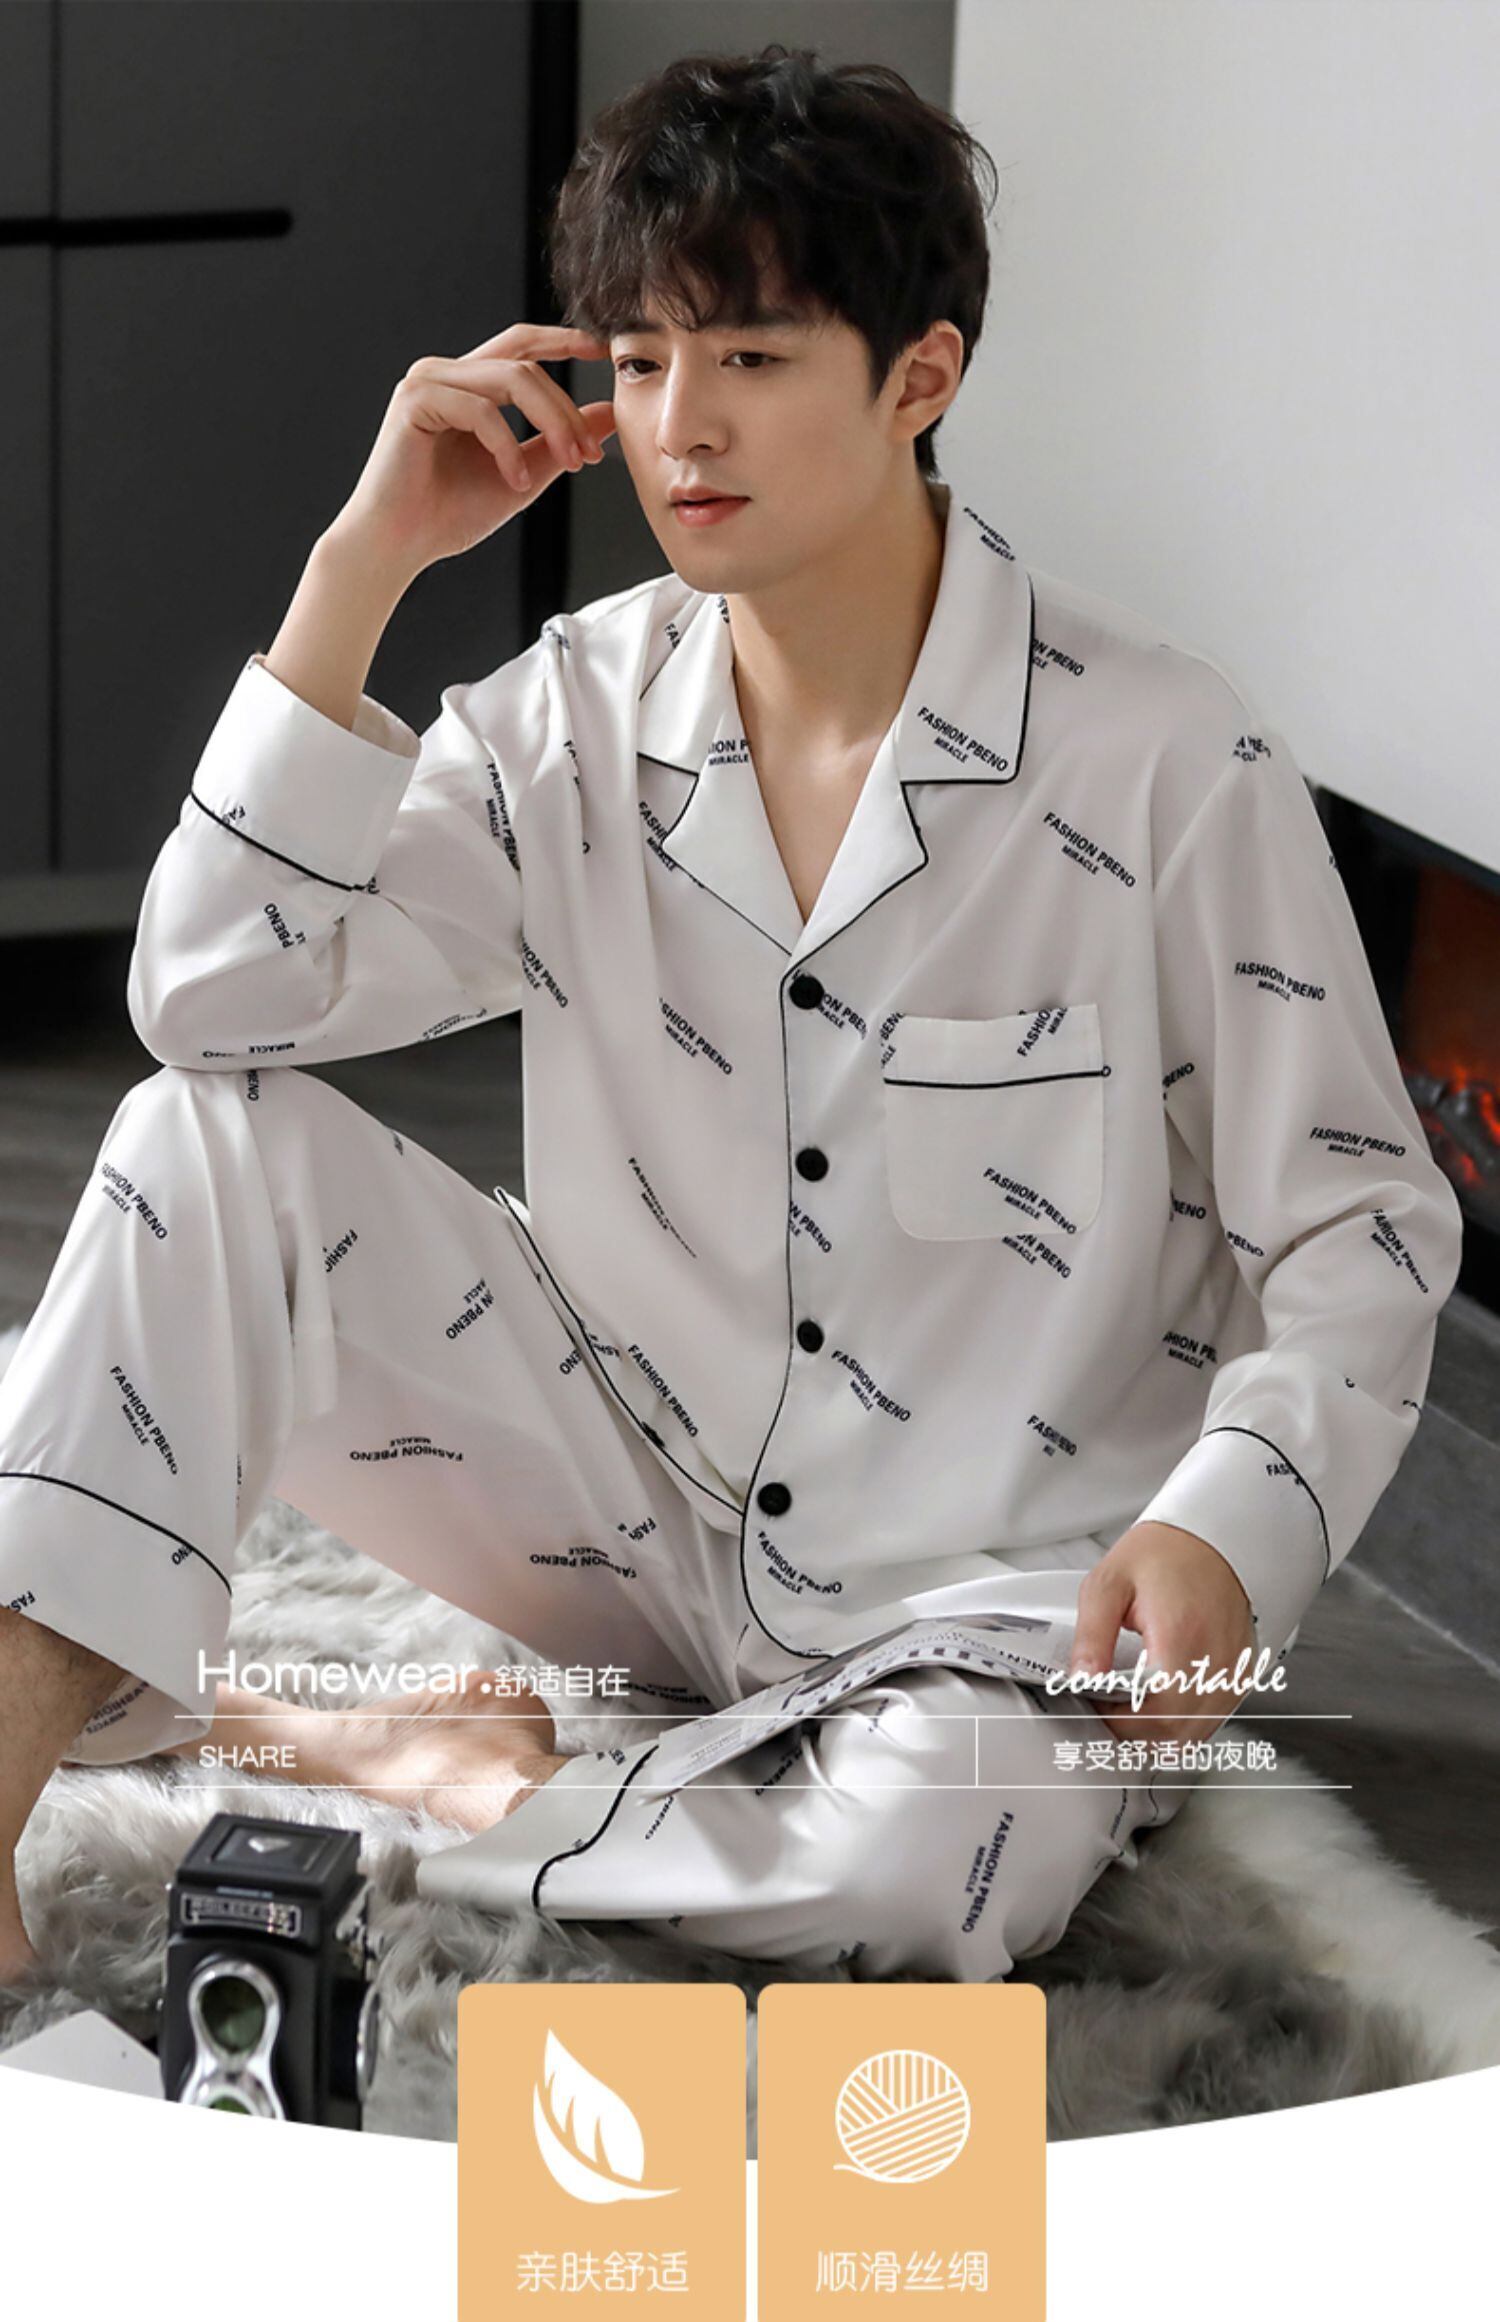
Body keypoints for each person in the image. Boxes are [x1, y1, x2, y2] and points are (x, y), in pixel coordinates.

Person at [0, 46, 1464, 1993]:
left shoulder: (1164, 761)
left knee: (914, 1879)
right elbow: (207, 998)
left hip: (984, 1608)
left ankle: (430, 1772)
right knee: (194, 1140)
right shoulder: (569, 720)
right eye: (640, 359)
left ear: (919, 380)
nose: (680, 424)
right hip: (634, 1522)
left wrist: (1227, 1529)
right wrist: (363, 568)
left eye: (754, 357)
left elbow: (1361, 1228)